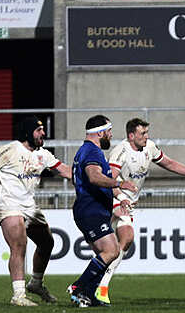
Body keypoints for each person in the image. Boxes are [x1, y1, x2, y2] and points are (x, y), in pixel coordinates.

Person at [95, 118, 185, 305]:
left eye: (147, 133)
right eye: (142, 134)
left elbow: (169, 163)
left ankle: (92, 285)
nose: (146, 137)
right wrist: (120, 198)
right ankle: (101, 287)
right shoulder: (120, 152)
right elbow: (108, 182)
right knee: (127, 237)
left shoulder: (150, 148)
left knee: (113, 248)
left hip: (129, 204)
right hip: (113, 200)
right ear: (131, 135)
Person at [0, 116, 72, 306]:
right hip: (9, 204)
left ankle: (36, 284)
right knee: (19, 244)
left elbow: (66, 171)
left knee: (47, 243)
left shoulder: (43, 154)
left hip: (29, 206)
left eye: (43, 130)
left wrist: (92, 176)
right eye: (39, 130)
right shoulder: (11, 149)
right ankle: (18, 295)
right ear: (29, 132)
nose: (43, 134)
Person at [67, 115, 138, 308]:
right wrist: (120, 182)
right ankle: (79, 287)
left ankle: (88, 295)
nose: (111, 135)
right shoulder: (92, 152)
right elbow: (94, 177)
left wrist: (120, 196)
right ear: (100, 133)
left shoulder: (86, 151)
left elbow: (87, 180)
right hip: (91, 210)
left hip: (91, 209)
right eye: (109, 131)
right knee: (111, 250)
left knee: (107, 252)